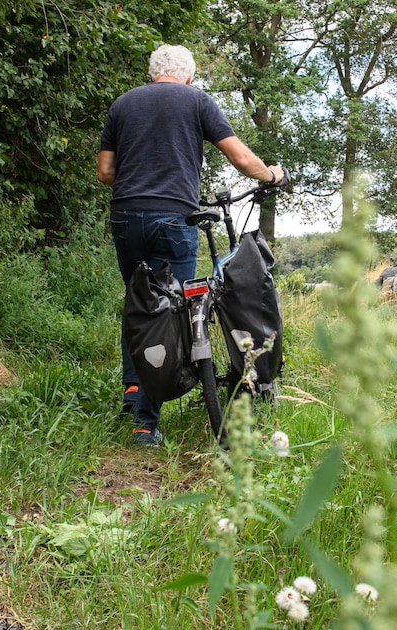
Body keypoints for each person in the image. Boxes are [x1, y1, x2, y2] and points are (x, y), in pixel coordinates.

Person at [97, 44, 286, 446]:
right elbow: (240, 158)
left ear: (153, 73)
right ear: (188, 75)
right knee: (171, 312)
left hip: (125, 215)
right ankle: (145, 424)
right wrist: (271, 175)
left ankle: (133, 388)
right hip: (173, 217)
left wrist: (140, 179)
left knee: (139, 301)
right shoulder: (196, 100)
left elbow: (105, 172)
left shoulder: (123, 104)